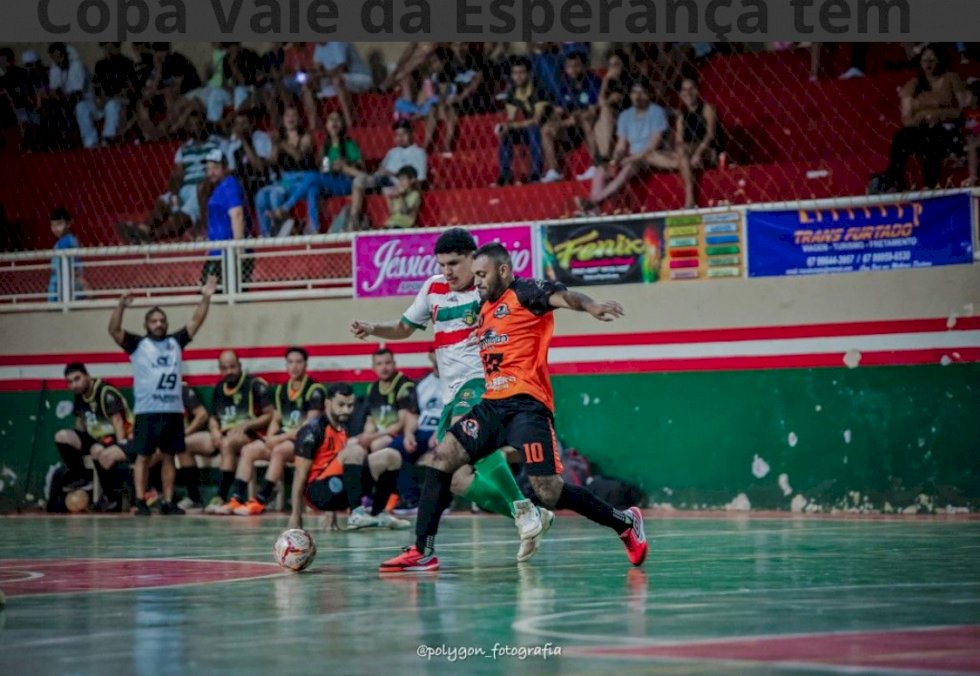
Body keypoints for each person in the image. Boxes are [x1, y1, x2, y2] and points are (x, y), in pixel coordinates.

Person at [379, 243, 646, 572]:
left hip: (528, 407)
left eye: (482, 274)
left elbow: (564, 297)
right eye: (475, 275)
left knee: (548, 491)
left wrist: (591, 306)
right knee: (441, 458)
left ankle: (625, 523)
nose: (477, 281)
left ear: (503, 271)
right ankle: (423, 551)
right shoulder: (484, 307)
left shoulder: (526, 292)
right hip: (492, 405)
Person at [352, 228, 555, 564]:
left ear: (473, 260)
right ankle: (530, 513)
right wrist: (374, 328)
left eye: (454, 264)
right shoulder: (433, 288)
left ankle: (520, 512)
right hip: (450, 393)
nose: (447, 271)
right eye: (442, 264)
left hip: (482, 382)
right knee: (458, 481)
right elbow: (403, 328)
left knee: (467, 431)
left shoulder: (488, 289)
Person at [108, 275, 218, 516]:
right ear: (146, 325)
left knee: (169, 457)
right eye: (154, 321)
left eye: (162, 320)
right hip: (147, 411)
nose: (158, 324)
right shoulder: (137, 344)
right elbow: (114, 330)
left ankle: (168, 501)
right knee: (143, 457)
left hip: (172, 411)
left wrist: (206, 297)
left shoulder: (175, 342)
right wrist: (121, 306)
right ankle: (140, 501)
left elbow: (196, 320)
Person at [216, 347, 325, 515]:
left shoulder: (315, 389)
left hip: (305, 442)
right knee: (248, 450)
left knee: (279, 450)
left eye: (298, 362)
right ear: (286, 365)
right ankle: (236, 499)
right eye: (290, 362)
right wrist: (271, 436)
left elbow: (309, 427)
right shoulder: (282, 389)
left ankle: (260, 500)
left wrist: (279, 439)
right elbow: (276, 419)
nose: (294, 366)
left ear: (305, 364)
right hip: (283, 439)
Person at [287, 383, 411, 531]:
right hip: (318, 494)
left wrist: (332, 514)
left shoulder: (342, 429)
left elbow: (336, 464)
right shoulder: (312, 431)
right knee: (355, 450)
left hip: (339, 490)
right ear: (327, 403)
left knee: (392, 456)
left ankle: (379, 512)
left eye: (350, 405)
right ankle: (356, 514)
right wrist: (296, 515)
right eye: (341, 405)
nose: (346, 410)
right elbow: (299, 475)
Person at [580, 78, 695, 213]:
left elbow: (653, 146)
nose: (638, 96)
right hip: (632, 155)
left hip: (650, 156)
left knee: (628, 167)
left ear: (649, 94)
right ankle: (594, 210)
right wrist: (614, 161)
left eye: (642, 93)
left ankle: (594, 201)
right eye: (634, 92)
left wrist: (630, 159)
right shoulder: (625, 115)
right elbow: (621, 145)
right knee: (601, 170)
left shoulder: (657, 112)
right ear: (630, 95)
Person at [876, 45, 968, 192]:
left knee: (935, 139)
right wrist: (920, 119)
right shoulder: (914, 84)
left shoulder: (951, 78)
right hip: (921, 127)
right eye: (925, 60)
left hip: (946, 126)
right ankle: (895, 180)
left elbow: (962, 110)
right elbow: (906, 118)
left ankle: (930, 185)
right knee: (901, 138)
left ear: (939, 60)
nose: (928, 64)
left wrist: (938, 115)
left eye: (932, 60)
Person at [54, 362, 133, 512]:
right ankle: (82, 477)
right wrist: (77, 441)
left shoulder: (105, 392)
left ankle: (111, 497)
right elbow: (80, 424)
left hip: (114, 436)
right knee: (61, 436)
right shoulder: (79, 396)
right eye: (69, 382)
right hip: (94, 437)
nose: (74, 385)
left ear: (87, 376)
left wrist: (121, 445)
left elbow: (118, 421)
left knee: (97, 450)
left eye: (77, 379)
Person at [205, 350, 274, 511]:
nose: (229, 371)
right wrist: (214, 430)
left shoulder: (254, 384)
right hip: (224, 433)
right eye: (224, 368)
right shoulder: (219, 388)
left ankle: (221, 496)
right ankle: (192, 498)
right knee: (185, 443)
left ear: (240, 365)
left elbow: (270, 414)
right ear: (220, 369)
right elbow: (213, 417)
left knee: (227, 444)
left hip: (251, 434)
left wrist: (246, 425)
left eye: (232, 367)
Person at [348, 119, 428, 231]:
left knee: (387, 187)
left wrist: (393, 174)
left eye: (403, 134)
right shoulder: (392, 152)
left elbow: (420, 180)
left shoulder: (419, 152)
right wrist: (382, 172)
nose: (400, 138)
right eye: (397, 135)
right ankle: (354, 218)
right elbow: (381, 170)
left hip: (400, 184)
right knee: (359, 180)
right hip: (383, 180)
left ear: (411, 133)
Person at [541, 51, 601, 183]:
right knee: (546, 129)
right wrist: (555, 122)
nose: (572, 70)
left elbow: (593, 111)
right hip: (571, 127)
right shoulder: (565, 84)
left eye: (576, 66)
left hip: (590, 124)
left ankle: (596, 166)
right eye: (569, 66)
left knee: (585, 119)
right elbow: (558, 111)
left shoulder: (593, 81)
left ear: (584, 66)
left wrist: (572, 119)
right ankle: (554, 171)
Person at [495, 57, 551, 186]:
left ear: (529, 74)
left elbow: (537, 120)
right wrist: (505, 126)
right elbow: (511, 118)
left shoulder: (538, 89)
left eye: (522, 72)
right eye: (515, 73)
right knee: (507, 134)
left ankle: (536, 174)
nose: (518, 77)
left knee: (533, 129)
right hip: (529, 129)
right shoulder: (513, 92)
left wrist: (514, 125)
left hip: (547, 128)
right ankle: (505, 175)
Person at [674, 78, 723, 209]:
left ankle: (689, 197)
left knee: (682, 152)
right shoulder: (681, 116)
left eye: (691, 89)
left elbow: (710, 134)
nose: (688, 93)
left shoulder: (707, 108)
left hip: (707, 150)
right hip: (687, 154)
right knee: (652, 155)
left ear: (697, 91)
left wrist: (698, 153)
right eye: (684, 90)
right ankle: (685, 163)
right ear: (680, 94)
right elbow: (678, 141)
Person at [91, 42, 137, 146]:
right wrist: (98, 99)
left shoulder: (127, 63)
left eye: (111, 48)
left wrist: (121, 93)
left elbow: (131, 87)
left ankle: (108, 137)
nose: (108, 51)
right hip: (103, 99)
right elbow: (96, 87)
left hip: (121, 99)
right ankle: (90, 142)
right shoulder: (100, 65)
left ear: (117, 47)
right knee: (82, 108)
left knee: (111, 105)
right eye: (106, 48)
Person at [48, 207, 84, 303]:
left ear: (68, 224)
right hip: (61, 286)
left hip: (63, 288)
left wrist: (83, 283)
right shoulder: (66, 241)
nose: (55, 229)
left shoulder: (66, 242)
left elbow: (73, 267)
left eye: (59, 224)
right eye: (53, 225)